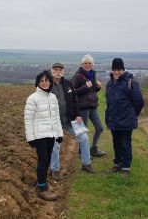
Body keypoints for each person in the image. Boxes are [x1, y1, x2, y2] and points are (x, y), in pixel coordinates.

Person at [49, 62, 95, 181]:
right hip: (55, 123)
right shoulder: (47, 85)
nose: (58, 72)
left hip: (70, 120)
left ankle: (86, 163)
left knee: (84, 138)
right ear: (51, 71)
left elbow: (75, 101)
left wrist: (78, 115)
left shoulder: (68, 84)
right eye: (55, 70)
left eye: (60, 70)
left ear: (63, 71)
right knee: (55, 146)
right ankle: (54, 169)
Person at [24, 70, 63, 201]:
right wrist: (30, 138)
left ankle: (43, 182)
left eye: (47, 80)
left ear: (50, 82)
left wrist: (59, 134)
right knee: (43, 160)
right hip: (39, 135)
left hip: (51, 134)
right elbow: (28, 120)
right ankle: (42, 188)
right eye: (42, 81)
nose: (44, 83)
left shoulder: (53, 97)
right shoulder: (33, 98)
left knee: (47, 160)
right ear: (38, 83)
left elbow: (56, 117)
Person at [105, 58, 144, 177]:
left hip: (126, 120)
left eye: (119, 70)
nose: (116, 72)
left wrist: (132, 114)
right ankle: (118, 164)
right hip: (114, 119)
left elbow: (139, 102)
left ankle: (126, 167)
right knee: (116, 143)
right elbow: (109, 101)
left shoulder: (131, 82)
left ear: (123, 70)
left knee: (125, 144)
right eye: (114, 70)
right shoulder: (110, 83)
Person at [72, 54, 106, 157]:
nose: (87, 65)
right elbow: (73, 92)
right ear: (82, 64)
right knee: (83, 132)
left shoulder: (92, 74)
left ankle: (94, 149)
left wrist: (98, 87)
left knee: (100, 128)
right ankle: (82, 152)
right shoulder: (77, 76)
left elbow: (92, 90)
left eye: (89, 63)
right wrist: (85, 86)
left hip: (92, 106)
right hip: (82, 107)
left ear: (92, 64)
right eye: (85, 63)